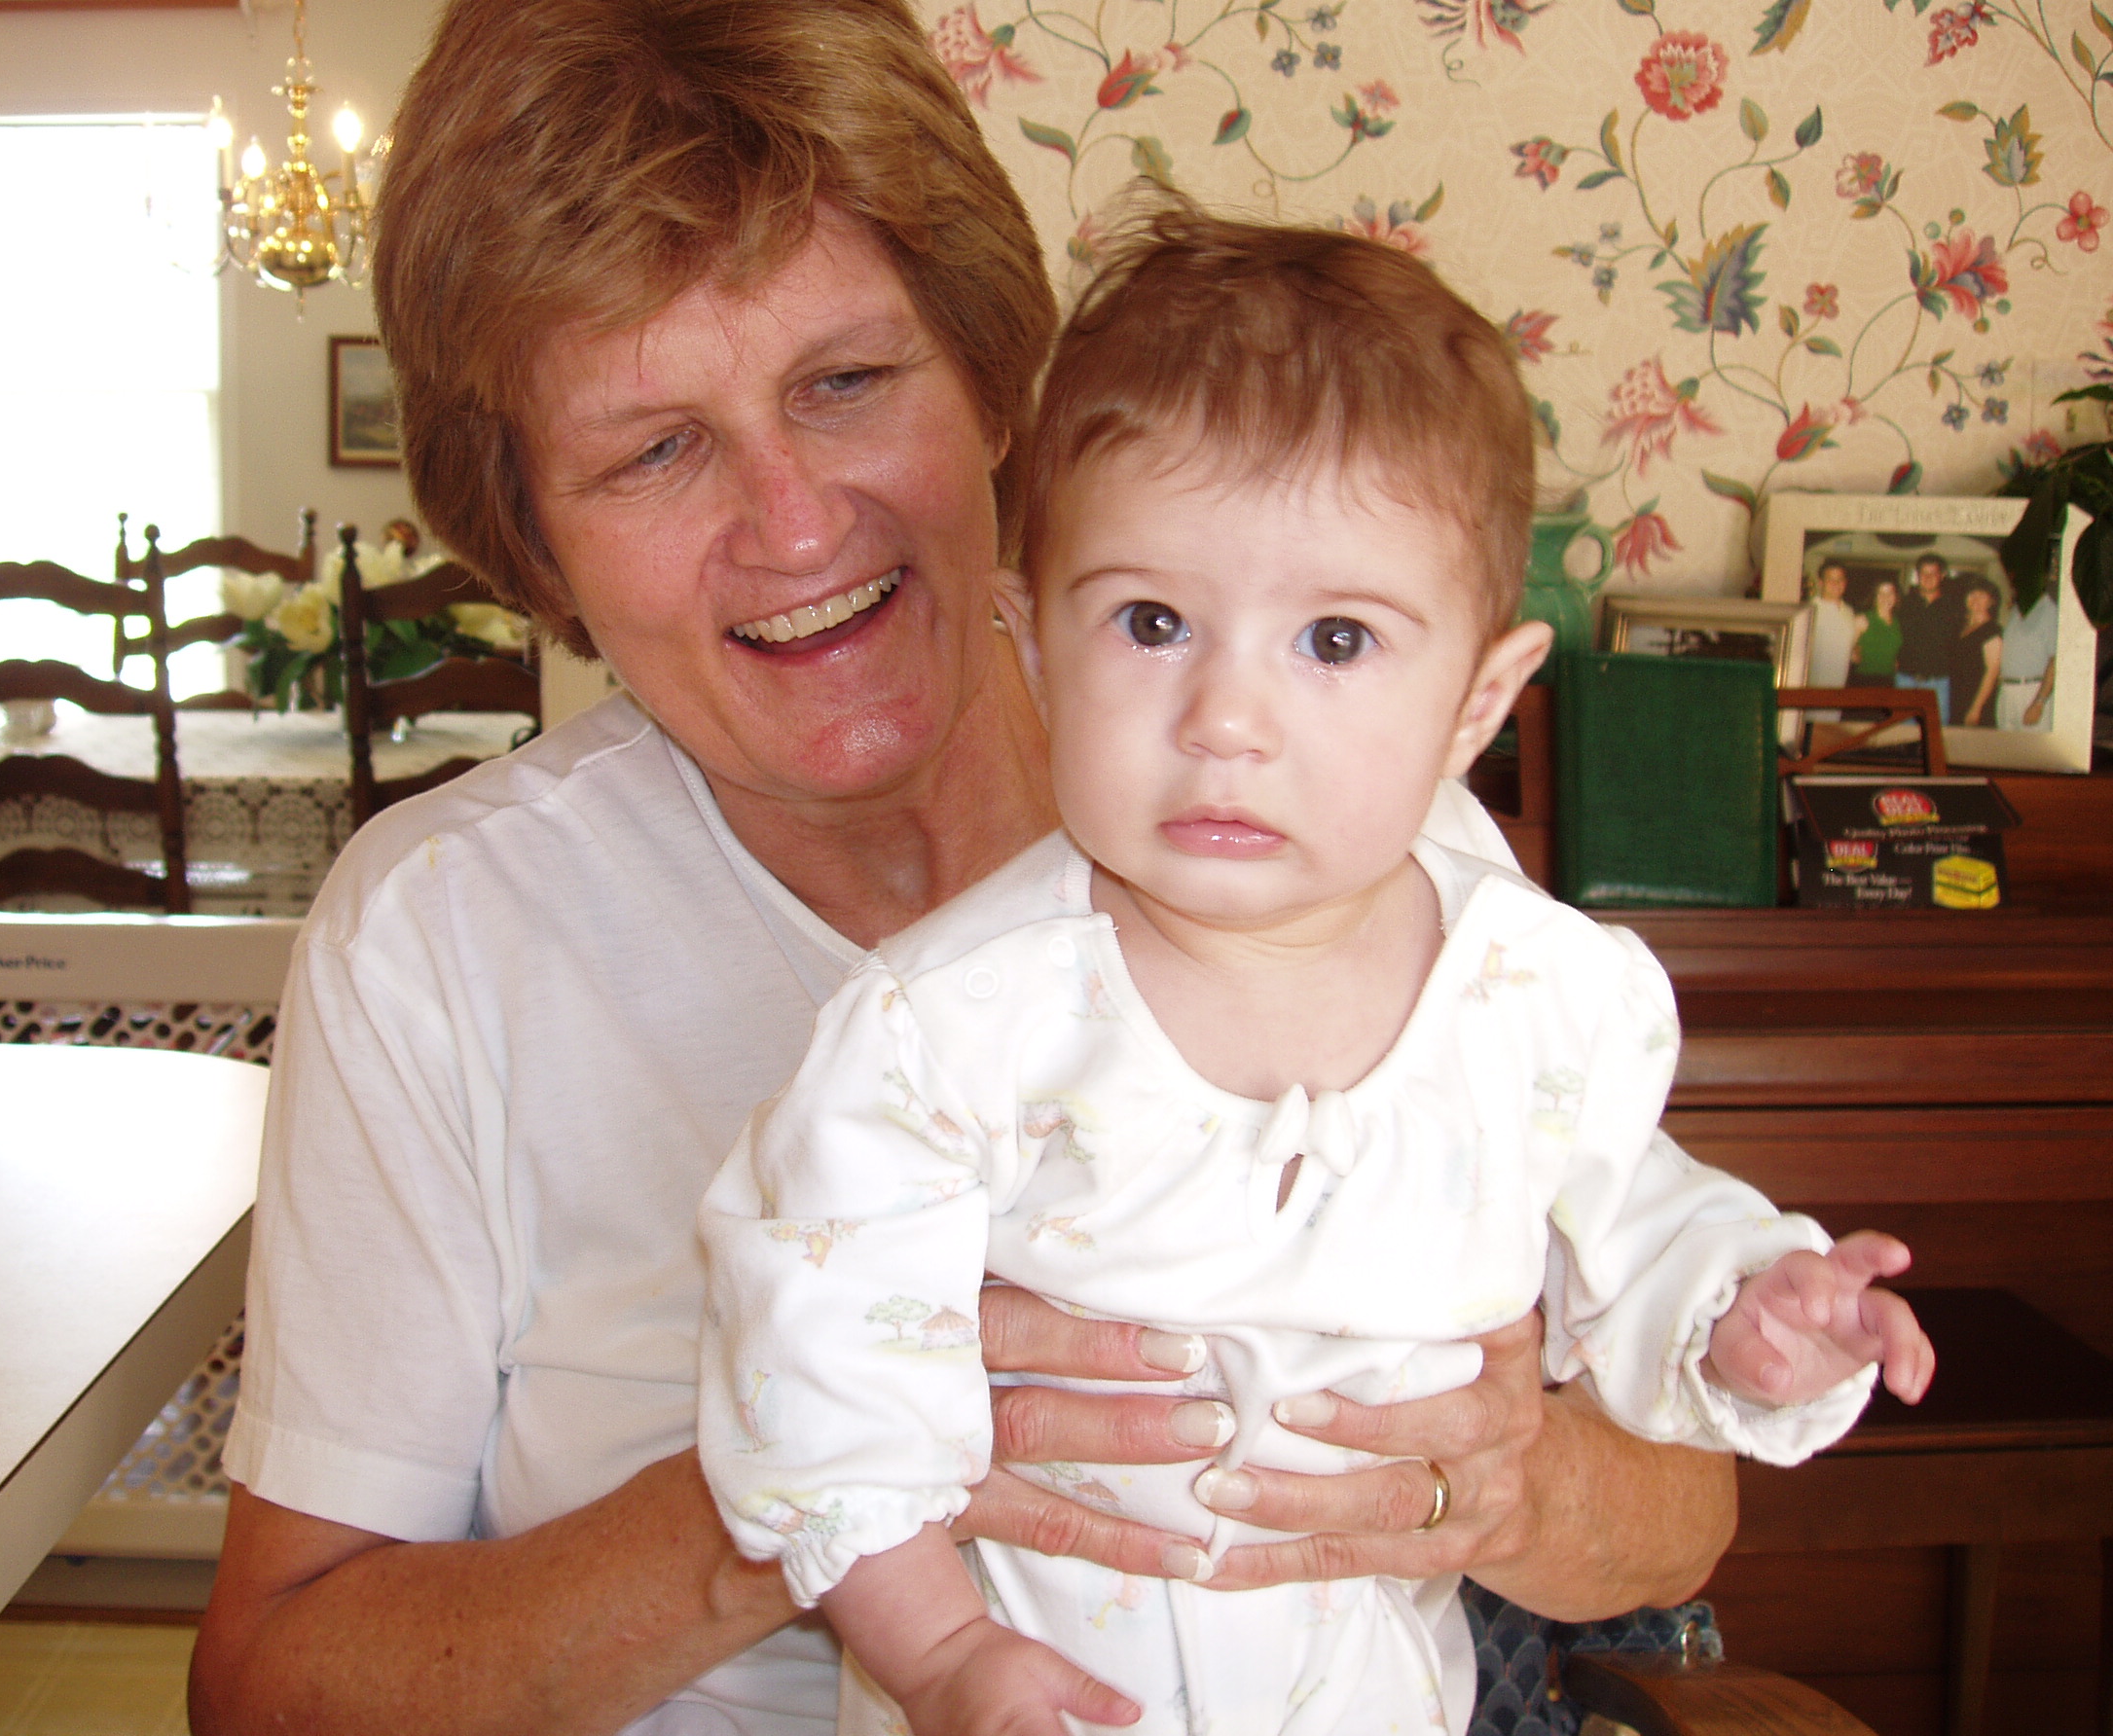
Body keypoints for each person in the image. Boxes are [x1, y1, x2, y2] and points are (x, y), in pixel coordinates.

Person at [191, 0, 1748, 1736]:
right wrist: (805, 1478)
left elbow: (1682, 1510)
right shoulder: (441, 936)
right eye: (655, 450)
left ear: (998, 386)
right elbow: (269, 1689)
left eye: (848, 384)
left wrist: (1508, 1488)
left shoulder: (1326, 837)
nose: (793, 525)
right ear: (536, 539)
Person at [698, 213, 1932, 1736]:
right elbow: (817, 1385)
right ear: (1031, 644)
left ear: (1477, 701)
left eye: (1336, 640)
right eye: (1153, 623)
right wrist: (942, 1656)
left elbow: (1641, 1232)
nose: (1228, 717)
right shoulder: (947, 1032)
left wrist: (1755, 1313)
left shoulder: (1540, 1004)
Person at [1892, 553, 1959, 720]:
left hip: (1938, 682)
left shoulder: (1953, 607)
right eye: (1923, 573)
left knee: (1936, 729)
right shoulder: (1904, 603)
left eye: (1933, 573)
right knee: (1903, 730)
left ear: (1942, 576)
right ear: (1917, 575)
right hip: (1905, 679)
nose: (1928, 578)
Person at [1997, 587, 2058, 732]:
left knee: (2033, 745)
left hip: (2031, 692)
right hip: (2007, 693)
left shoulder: (2048, 610)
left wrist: (2039, 702)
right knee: (2006, 745)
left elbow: (2055, 661)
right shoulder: (2017, 609)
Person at [1949, 582, 2005, 728]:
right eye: (1972, 594)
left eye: (1981, 595)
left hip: (1977, 698)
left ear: (1991, 601)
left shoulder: (1991, 630)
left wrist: (1976, 708)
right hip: (1957, 697)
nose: (1975, 599)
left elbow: (1992, 671)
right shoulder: (1961, 628)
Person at [1806, 561, 1867, 689]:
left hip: (1840, 685)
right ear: (1821, 582)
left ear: (1845, 583)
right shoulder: (1810, 610)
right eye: (1830, 579)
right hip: (1814, 686)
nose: (1836, 584)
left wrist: (1856, 651)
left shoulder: (1849, 611)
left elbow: (1852, 652)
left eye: (1840, 579)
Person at [1851, 578, 1902, 688]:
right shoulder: (1863, 619)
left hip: (1889, 680)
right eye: (1881, 593)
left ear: (1896, 596)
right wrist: (1854, 652)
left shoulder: (1898, 623)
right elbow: (1846, 651)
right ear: (1875, 597)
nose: (1885, 597)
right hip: (1864, 681)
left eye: (1890, 593)